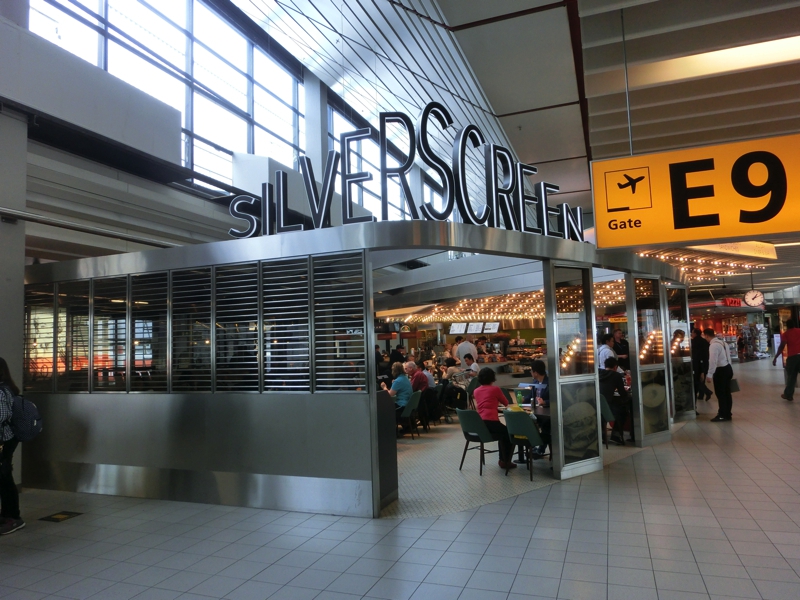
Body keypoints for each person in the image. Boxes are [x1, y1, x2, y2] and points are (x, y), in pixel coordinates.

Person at [472, 367, 516, 469]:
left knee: (502, 433)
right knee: (508, 434)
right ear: (492, 378)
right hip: (491, 421)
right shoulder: (495, 389)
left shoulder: (476, 391)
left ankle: (503, 460)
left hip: (481, 423)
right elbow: (506, 403)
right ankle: (505, 460)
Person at [0, 357, 24, 535]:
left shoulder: (2, 391)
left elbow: (1, 416)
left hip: (3, 440)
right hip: (7, 439)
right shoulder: (7, 389)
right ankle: (8, 515)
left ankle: (13, 517)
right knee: (4, 476)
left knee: (4, 477)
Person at [704, 328, 733, 422]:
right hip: (727, 368)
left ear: (706, 335)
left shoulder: (713, 345)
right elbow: (728, 357)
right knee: (727, 393)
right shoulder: (723, 343)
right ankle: (727, 413)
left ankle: (722, 414)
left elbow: (713, 361)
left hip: (721, 370)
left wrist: (709, 374)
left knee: (721, 393)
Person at [599, 357, 629, 446]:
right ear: (615, 367)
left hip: (596, 406)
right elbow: (622, 393)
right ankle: (616, 436)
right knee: (623, 411)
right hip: (607, 408)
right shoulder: (616, 375)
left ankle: (602, 435)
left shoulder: (598, 373)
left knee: (602, 414)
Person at [773, 319, 800, 401]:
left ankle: (788, 395)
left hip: (792, 357)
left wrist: (776, 357)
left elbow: (782, 346)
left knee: (791, 377)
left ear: (787, 326)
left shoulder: (785, 334)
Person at [691, 328, 712, 401]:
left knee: (697, 380)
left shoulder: (694, 342)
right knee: (702, 379)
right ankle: (701, 395)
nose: (691, 334)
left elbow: (695, 353)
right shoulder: (704, 341)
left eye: (692, 332)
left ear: (695, 333)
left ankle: (707, 392)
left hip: (697, 363)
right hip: (705, 362)